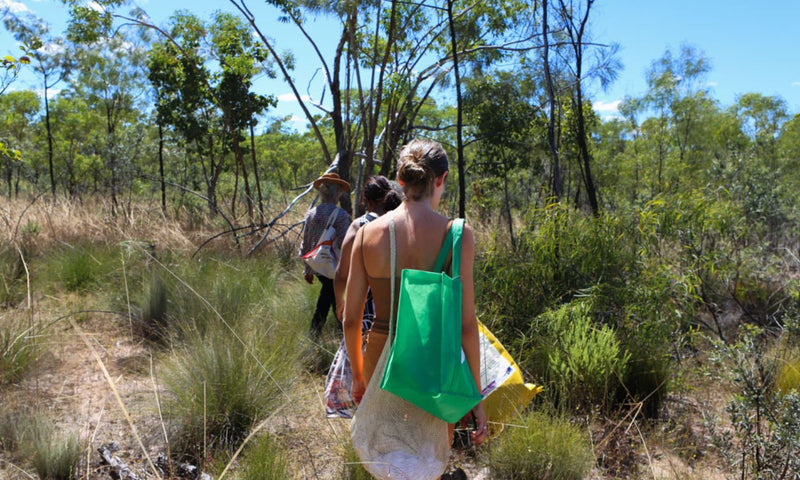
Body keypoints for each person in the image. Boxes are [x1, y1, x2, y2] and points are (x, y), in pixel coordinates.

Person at [343, 139, 489, 448]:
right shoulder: (457, 235)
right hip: (431, 360)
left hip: (380, 356)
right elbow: (466, 325)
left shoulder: (366, 233)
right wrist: (474, 395)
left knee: (384, 457)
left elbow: (351, 319)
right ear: (441, 178)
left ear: (400, 180)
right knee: (425, 458)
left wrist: (357, 376)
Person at [324, 175, 402, 418]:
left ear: (367, 201)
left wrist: (340, 301)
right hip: (393, 306)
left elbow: (342, 272)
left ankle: (360, 409)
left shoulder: (360, 225)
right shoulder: (401, 224)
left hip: (365, 305)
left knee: (360, 356)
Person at [299, 172, 351, 337]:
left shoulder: (311, 213)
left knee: (329, 296)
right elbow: (345, 243)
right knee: (331, 297)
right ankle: (337, 333)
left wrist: (307, 269)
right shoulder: (341, 215)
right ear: (337, 193)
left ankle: (321, 334)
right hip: (334, 265)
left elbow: (306, 242)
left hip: (317, 264)